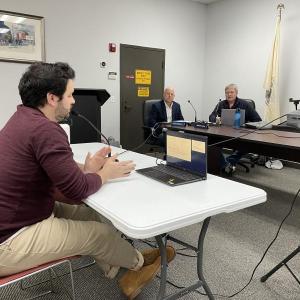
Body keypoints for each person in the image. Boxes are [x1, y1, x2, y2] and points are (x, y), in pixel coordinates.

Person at [0, 62, 175, 299]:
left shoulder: (23, 118)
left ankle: (120, 265)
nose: (73, 101)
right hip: (11, 240)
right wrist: (105, 174)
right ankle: (138, 265)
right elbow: (76, 191)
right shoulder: (47, 130)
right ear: (52, 98)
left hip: (21, 215)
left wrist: (89, 168)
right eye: (70, 95)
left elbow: (52, 168)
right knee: (98, 234)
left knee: (88, 215)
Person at [209, 83, 262, 174]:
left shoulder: (245, 104)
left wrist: (245, 124)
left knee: (247, 144)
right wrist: (217, 119)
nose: (229, 94)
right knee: (211, 141)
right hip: (223, 133)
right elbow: (211, 116)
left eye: (231, 92)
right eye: (227, 92)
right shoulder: (221, 104)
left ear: (236, 93)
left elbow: (258, 120)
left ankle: (227, 162)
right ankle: (226, 164)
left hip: (240, 134)